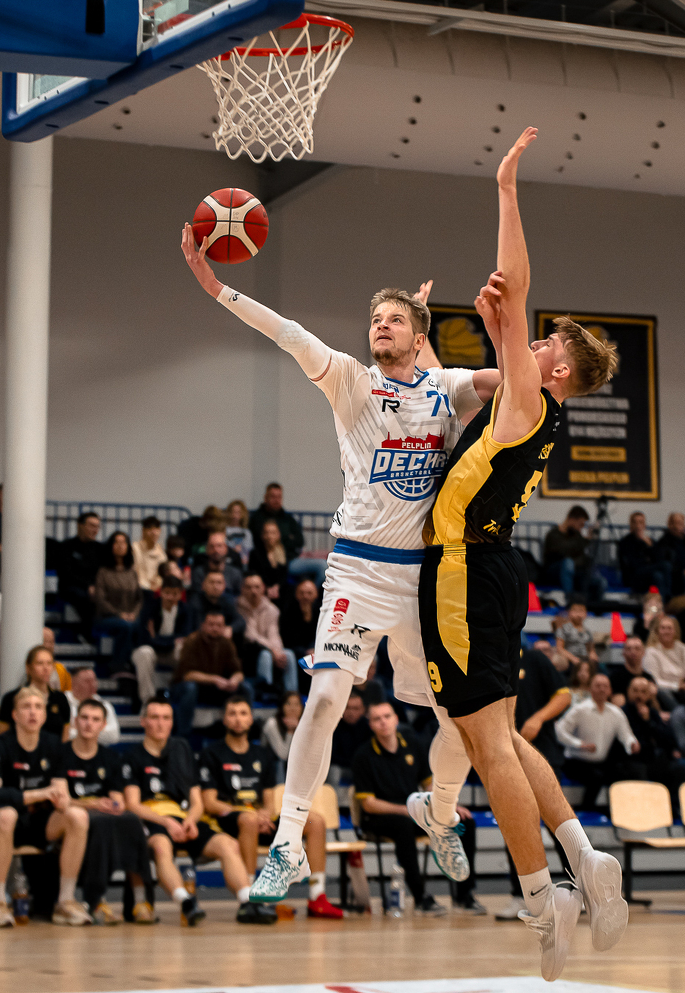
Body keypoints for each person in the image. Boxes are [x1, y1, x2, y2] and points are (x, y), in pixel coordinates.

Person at [184, 211, 510, 906]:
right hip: (357, 570)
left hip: (424, 581)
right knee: (327, 697)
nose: (381, 327)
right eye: (376, 320)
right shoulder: (351, 382)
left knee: (460, 720)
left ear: (419, 336)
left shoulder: (446, 387)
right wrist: (216, 287)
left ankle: (439, 810)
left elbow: (514, 384)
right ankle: (287, 845)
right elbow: (289, 333)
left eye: (396, 320)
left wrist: (506, 331)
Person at [415, 128, 626, 979]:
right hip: (494, 569)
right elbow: (503, 316)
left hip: (462, 570)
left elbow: (517, 285)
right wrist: (481, 325)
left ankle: (544, 899)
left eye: (546, 347)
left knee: (485, 746)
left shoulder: (532, 398)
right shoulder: (530, 407)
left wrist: (505, 189)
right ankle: (582, 854)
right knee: (498, 732)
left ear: (560, 372)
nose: (534, 346)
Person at [122, 697, 275, 925]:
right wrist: (167, 823)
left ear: (172, 722)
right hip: (155, 821)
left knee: (228, 845)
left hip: (185, 820)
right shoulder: (132, 757)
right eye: (154, 717)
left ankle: (247, 902)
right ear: (143, 721)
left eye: (166, 718)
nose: (160, 723)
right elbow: (133, 805)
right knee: (162, 847)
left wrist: (191, 821)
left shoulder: (182, 752)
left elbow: (197, 802)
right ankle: (186, 902)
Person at [200, 695, 344, 918]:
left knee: (315, 821)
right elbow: (209, 802)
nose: (238, 719)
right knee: (248, 819)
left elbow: (268, 800)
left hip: (258, 820)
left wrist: (265, 815)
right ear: (224, 719)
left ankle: (317, 896)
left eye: (243, 713)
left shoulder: (262, 754)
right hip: (227, 821)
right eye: (232, 714)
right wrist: (250, 814)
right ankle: (251, 896)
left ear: (251, 719)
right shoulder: (211, 753)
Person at [352, 698, 483, 915]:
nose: (383, 722)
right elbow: (369, 804)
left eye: (387, 716)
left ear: (396, 719)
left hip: (414, 812)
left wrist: (449, 806)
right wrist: (404, 810)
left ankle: (465, 895)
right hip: (380, 818)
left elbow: (429, 785)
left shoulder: (413, 744)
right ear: (371, 725)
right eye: (377, 719)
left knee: (465, 822)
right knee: (403, 825)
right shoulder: (363, 756)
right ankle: (421, 898)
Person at [0, 689, 92, 927]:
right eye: (26, 707)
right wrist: (36, 794)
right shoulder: (0, 744)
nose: (33, 712)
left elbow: (60, 789)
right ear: (15, 715)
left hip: (39, 822)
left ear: (44, 715)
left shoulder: (54, 744)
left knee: (78, 816)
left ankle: (66, 901)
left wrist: (62, 800)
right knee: (7, 814)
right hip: (1, 823)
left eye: (38, 707)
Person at [61, 698, 155, 925]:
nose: (88, 724)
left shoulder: (110, 758)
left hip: (100, 814)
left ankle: (140, 901)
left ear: (103, 725)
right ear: (75, 721)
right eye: (84, 718)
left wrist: (117, 805)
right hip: (69, 815)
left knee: (131, 820)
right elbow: (61, 800)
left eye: (95, 720)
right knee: (100, 825)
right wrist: (94, 804)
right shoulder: (62, 753)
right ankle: (96, 901)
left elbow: (117, 797)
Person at [555, 673, 643, 811]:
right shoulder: (579, 709)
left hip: (601, 762)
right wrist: (579, 744)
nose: (602, 689)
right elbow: (559, 731)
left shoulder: (616, 712)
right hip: (575, 762)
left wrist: (631, 743)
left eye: (605, 686)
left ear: (610, 690)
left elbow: (626, 735)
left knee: (630, 772)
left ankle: (621, 812)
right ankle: (585, 812)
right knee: (595, 777)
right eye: (598, 686)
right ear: (590, 689)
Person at [172, 609, 250, 738]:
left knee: (245, 688)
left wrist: (234, 680)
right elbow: (187, 675)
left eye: (219, 625)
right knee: (190, 688)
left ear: (224, 627)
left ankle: (244, 732)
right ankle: (183, 735)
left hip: (215, 688)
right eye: (211, 624)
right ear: (203, 625)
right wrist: (215, 679)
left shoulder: (227, 643)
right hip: (188, 688)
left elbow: (238, 672)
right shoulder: (192, 640)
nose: (215, 628)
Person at [130, 576, 193, 703]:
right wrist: (170, 641)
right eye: (167, 593)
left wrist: (156, 638)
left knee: (185, 650)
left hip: (170, 653)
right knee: (145, 652)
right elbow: (144, 639)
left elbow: (185, 636)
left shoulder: (185, 610)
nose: (170, 597)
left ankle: (178, 696)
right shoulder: (149, 607)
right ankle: (148, 700)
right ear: (161, 592)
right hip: (150, 650)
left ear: (180, 594)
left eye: (174, 594)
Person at [248, 483, 323, 586]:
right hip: (265, 559)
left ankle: (310, 592)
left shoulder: (288, 519)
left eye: (279, 497)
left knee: (323, 566)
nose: (276, 500)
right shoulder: (257, 519)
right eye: (273, 497)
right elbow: (259, 541)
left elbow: (299, 540)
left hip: (290, 559)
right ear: (266, 498)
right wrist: (287, 538)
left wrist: (282, 543)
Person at [0, 645, 73, 742]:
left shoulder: (60, 698)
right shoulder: (11, 698)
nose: (45, 668)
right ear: (28, 668)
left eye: (49, 663)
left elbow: (65, 738)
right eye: (40, 663)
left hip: (53, 750)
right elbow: (0, 736)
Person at [91, 532, 141, 672]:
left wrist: (134, 613)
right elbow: (100, 600)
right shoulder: (103, 572)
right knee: (126, 627)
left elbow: (139, 599)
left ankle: (136, 664)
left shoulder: (132, 572)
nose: (120, 545)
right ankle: (118, 666)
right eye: (116, 542)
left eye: (123, 542)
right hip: (107, 617)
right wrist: (120, 614)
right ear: (111, 546)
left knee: (138, 625)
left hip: (130, 616)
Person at [237, 573, 295, 695]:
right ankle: (265, 694)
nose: (253, 591)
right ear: (242, 589)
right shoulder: (237, 607)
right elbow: (250, 635)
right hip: (248, 651)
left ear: (263, 588)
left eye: (257, 587)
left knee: (288, 655)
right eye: (249, 587)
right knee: (265, 655)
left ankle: (291, 695)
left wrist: (278, 652)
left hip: (268, 647)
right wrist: (273, 651)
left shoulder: (272, 609)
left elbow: (274, 634)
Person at [541, 506, 607, 609]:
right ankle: (569, 599)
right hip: (554, 572)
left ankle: (594, 608)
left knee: (600, 582)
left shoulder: (576, 536)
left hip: (574, 572)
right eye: (580, 524)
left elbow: (580, 557)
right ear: (572, 519)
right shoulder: (553, 534)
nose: (580, 528)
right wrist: (586, 540)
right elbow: (565, 551)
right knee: (568, 562)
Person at [57, 512, 107, 633]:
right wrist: (88, 586)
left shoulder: (100, 549)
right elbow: (66, 573)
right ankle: (88, 633)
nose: (95, 530)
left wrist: (95, 586)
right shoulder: (66, 546)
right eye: (92, 526)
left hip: (94, 587)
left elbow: (103, 573)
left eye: (97, 527)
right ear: (80, 526)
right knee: (84, 598)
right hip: (71, 587)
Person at [617, 511, 669, 601]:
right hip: (634, 575)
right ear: (631, 525)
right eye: (635, 522)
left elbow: (659, 559)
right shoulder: (625, 542)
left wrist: (650, 547)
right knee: (666, 565)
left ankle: (660, 602)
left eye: (641, 522)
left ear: (644, 525)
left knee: (658, 576)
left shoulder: (649, 541)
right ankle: (667, 598)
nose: (638, 526)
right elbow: (632, 564)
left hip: (648, 574)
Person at [645, 615, 685, 697]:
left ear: (675, 631)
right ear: (657, 631)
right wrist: (676, 686)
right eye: (663, 628)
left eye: (669, 628)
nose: (666, 632)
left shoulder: (683, 648)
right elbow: (654, 681)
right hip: (663, 692)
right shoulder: (651, 652)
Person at [65, 667, 119, 746]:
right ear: (74, 683)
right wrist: (97, 730)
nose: (92, 684)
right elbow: (60, 734)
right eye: (87, 681)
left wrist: (78, 731)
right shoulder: (61, 702)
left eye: (94, 680)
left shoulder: (105, 705)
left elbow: (114, 736)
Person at [552, 598, 602, 671]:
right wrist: (573, 658)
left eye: (581, 611)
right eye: (575, 611)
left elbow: (591, 649)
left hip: (585, 659)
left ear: (586, 613)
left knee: (601, 669)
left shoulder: (587, 631)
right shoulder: (563, 629)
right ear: (569, 612)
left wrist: (593, 654)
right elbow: (559, 648)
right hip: (569, 660)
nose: (578, 614)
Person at [193, 530, 245, 596]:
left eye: (219, 546)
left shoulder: (235, 574)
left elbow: (240, 596)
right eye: (212, 546)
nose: (216, 550)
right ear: (207, 549)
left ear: (226, 548)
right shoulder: (198, 573)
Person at [248, 519, 290, 599]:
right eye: (267, 533)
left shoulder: (283, 552)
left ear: (278, 535)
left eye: (273, 533)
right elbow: (255, 574)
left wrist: (277, 587)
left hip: (280, 590)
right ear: (262, 535)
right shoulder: (255, 553)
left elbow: (284, 576)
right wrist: (267, 588)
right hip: (261, 590)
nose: (269, 536)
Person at [263, 691, 302, 767]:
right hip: (272, 766)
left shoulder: (304, 724)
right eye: (288, 704)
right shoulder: (272, 724)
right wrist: (290, 731)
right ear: (282, 706)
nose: (293, 708)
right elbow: (283, 755)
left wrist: (299, 729)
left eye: (297, 704)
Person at [132, 516, 167, 593]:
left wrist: (157, 584)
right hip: (137, 589)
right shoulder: (134, 548)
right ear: (143, 531)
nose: (154, 533)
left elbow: (162, 575)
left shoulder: (162, 553)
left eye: (157, 529)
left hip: (156, 591)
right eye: (150, 529)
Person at [224, 500, 255, 565]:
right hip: (229, 560)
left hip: (244, 561)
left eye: (238, 512)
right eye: (233, 512)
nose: (235, 515)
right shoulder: (224, 530)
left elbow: (249, 549)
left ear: (243, 514)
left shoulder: (247, 532)